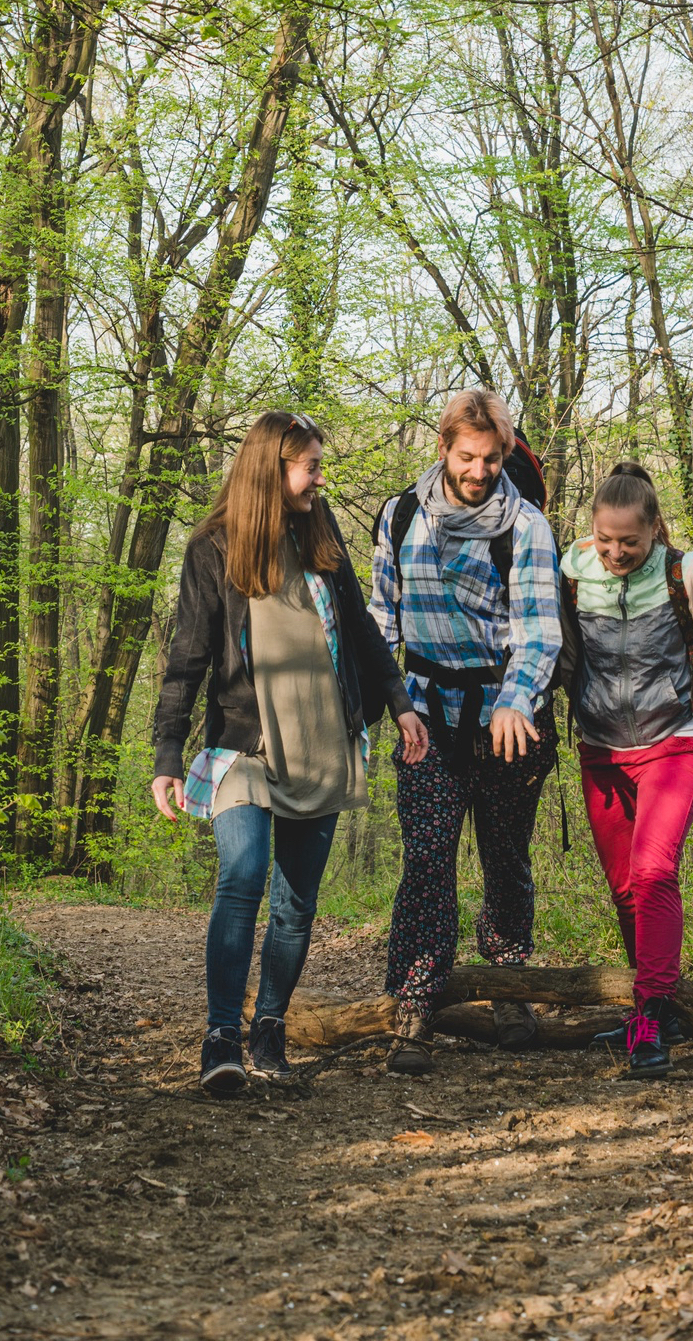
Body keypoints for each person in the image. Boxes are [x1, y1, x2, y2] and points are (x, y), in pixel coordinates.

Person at [152, 410, 429, 1098]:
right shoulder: (212, 549)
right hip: (242, 744)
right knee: (242, 878)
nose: (319, 477)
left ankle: (268, 1031)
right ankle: (221, 1038)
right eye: (310, 465)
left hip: (324, 738)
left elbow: (360, 627)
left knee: (295, 903)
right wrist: (164, 752)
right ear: (272, 471)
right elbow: (186, 656)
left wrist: (397, 701)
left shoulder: (319, 528)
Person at [370, 389, 562, 1077]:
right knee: (426, 857)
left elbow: (540, 629)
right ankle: (416, 1000)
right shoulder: (399, 517)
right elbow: (380, 620)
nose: (478, 470)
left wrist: (516, 699)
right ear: (444, 448)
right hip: (424, 715)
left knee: (504, 855)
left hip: (509, 719)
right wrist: (378, 702)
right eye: (466, 456)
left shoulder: (528, 526)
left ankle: (508, 985)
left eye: (491, 458)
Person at [558, 461, 693, 1078]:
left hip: (675, 739)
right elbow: (560, 651)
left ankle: (649, 1013)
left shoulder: (683, 570)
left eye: (630, 542)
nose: (616, 552)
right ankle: (657, 1006)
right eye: (606, 540)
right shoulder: (571, 570)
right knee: (622, 886)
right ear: (592, 531)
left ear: (654, 530)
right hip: (601, 746)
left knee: (653, 871)